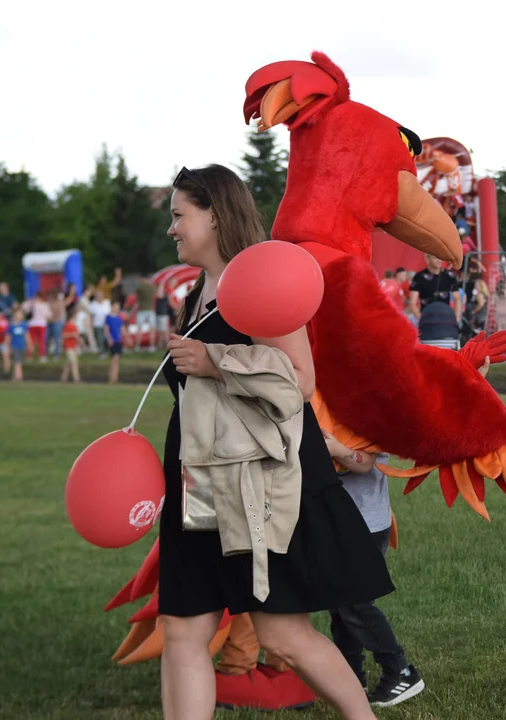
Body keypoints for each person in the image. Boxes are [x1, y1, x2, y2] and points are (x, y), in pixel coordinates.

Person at [158, 164, 391, 720]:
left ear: (214, 214)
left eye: (178, 215)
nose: (172, 228)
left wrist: (215, 362)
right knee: (182, 629)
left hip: (258, 484)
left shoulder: (258, 279)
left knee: (281, 634)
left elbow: (299, 378)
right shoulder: (197, 294)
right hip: (202, 482)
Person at [321, 432, 424, 707]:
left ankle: (399, 671)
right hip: (337, 521)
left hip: (364, 523)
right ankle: (350, 678)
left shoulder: (366, 407)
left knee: (355, 604)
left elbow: (364, 462)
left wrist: (330, 447)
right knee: (340, 606)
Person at [408, 253, 460, 321]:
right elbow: (412, 302)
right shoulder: (419, 277)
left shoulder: (450, 275)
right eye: (435, 258)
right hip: (426, 316)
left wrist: (456, 317)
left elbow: (457, 298)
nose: (439, 260)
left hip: (445, 317)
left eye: (440, 258)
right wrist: (421, 319)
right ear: (427, 259)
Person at [8, 308, 31, 382]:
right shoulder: (11, 326)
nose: (20, 315)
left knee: (19, 362)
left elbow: (27, 336)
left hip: (22, 346)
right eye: (18, 314)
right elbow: (8, 337)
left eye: (21, 314)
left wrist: (29, 345)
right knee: (17, 362)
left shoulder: (24, 325)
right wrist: (8, 347)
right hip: (14, 346)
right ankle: (19, 377)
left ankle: (15, 377)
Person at [105, 301, 125, 384]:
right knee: (114, 359)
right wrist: (109, 339)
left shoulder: (119, 318)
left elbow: (122, 329)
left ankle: (115, 378)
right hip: (113, 341)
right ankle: (112, 377)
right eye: (116, 306)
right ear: (112, 307)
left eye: (118, 307)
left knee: (116, 360)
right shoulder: (108, 317)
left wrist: (127, 338)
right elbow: (106, 329)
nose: (117, 308)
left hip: (118, 341)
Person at [61, 315, 80, 383]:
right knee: (73, 362)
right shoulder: (68, 325)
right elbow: (63, 335)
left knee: (68, 363)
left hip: (73, 346)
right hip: (68, 347)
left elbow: (77, 336)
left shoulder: (74, 326)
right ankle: (76, 378)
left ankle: (64, 377)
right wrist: (72, 334)